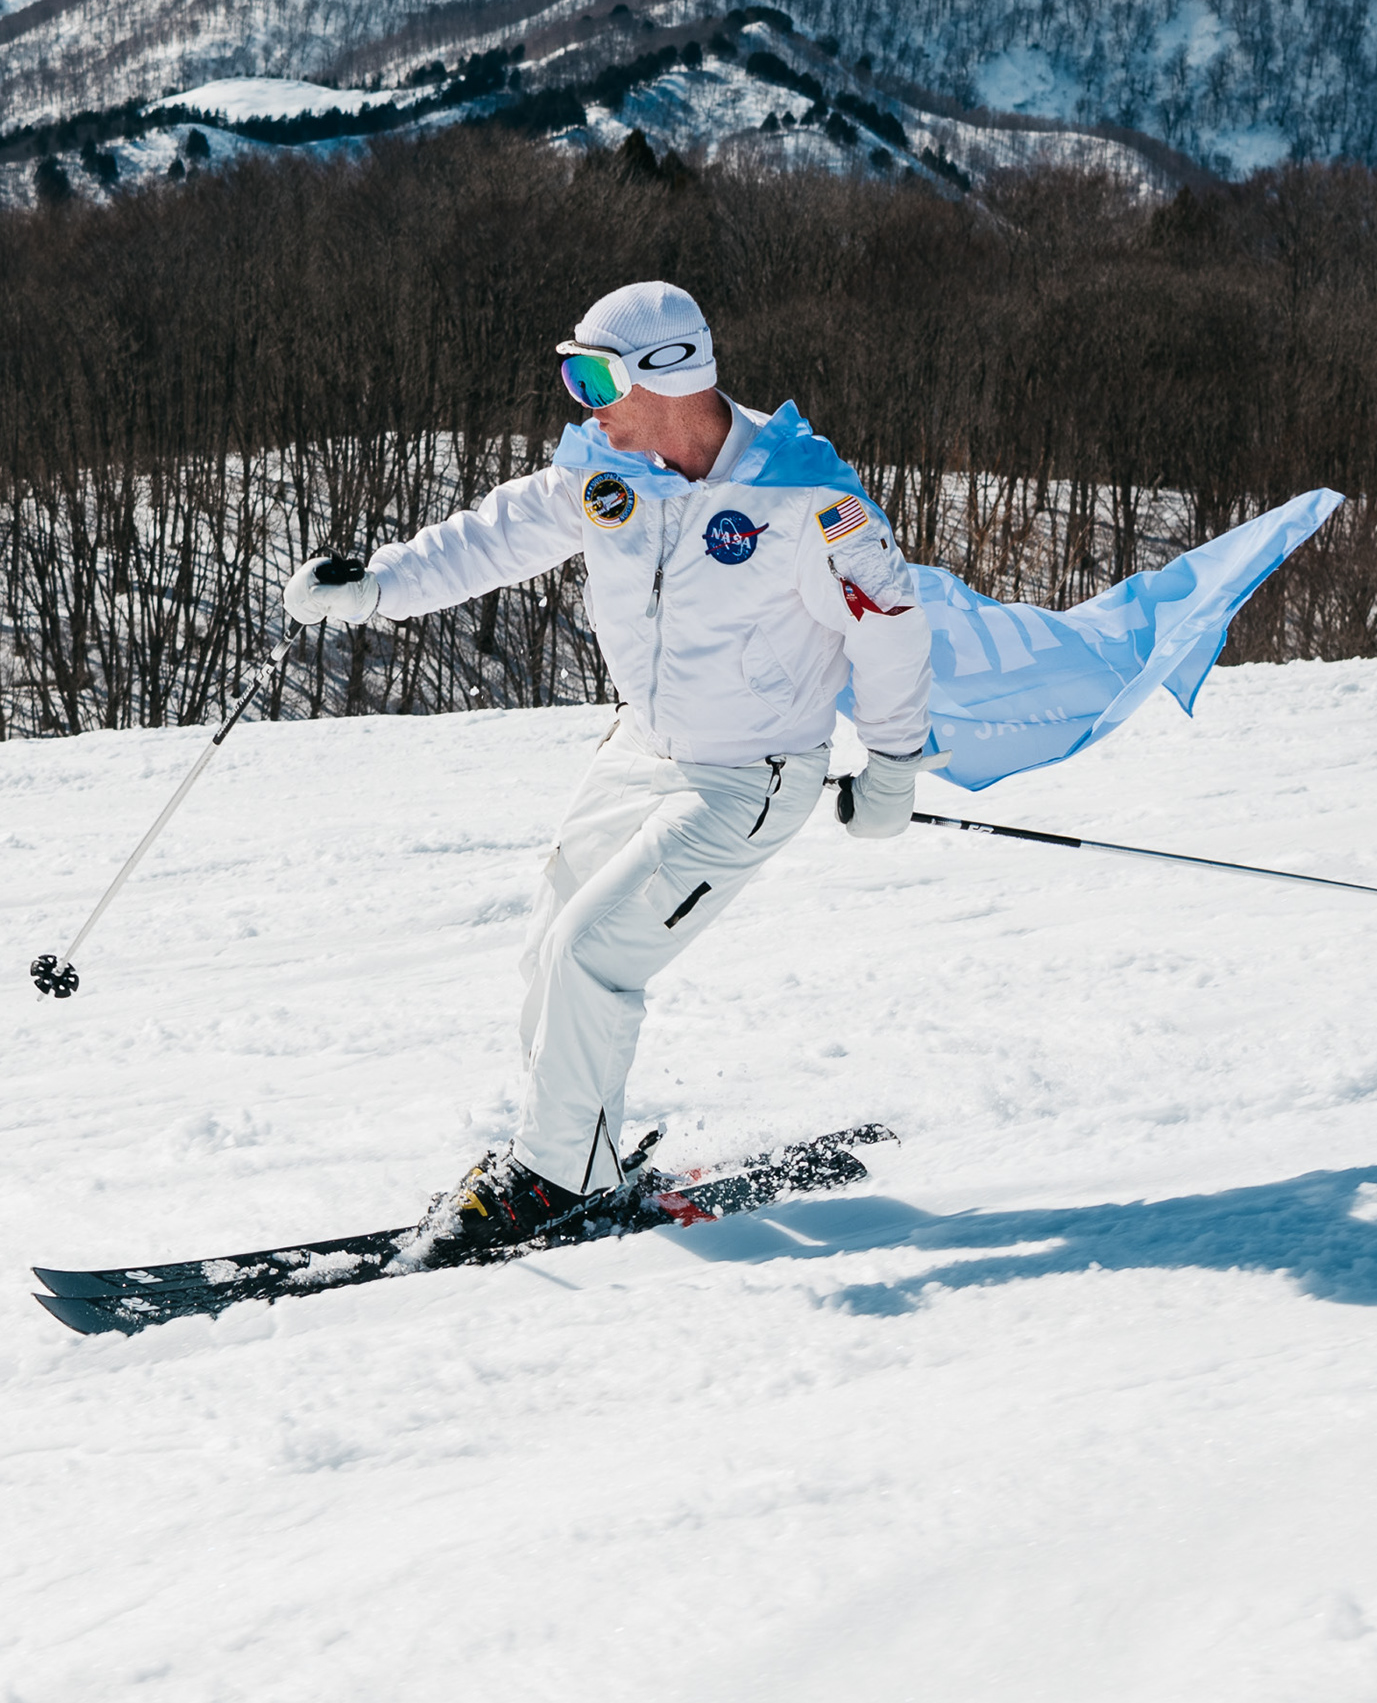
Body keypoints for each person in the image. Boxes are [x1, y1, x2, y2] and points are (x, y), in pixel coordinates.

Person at [282, 278, 932, 1258]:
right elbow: (496, 536)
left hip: (745, 775)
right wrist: (378, 585)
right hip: (644, 748)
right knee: (553, 942)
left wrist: (892, 765)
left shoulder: (805, 497)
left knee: (595, 950)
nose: (579, 400)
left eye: (592, 376)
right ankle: (572, 1149)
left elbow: (889, 630)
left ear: (669, 375)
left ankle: (552, 1179)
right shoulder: (605, 471)